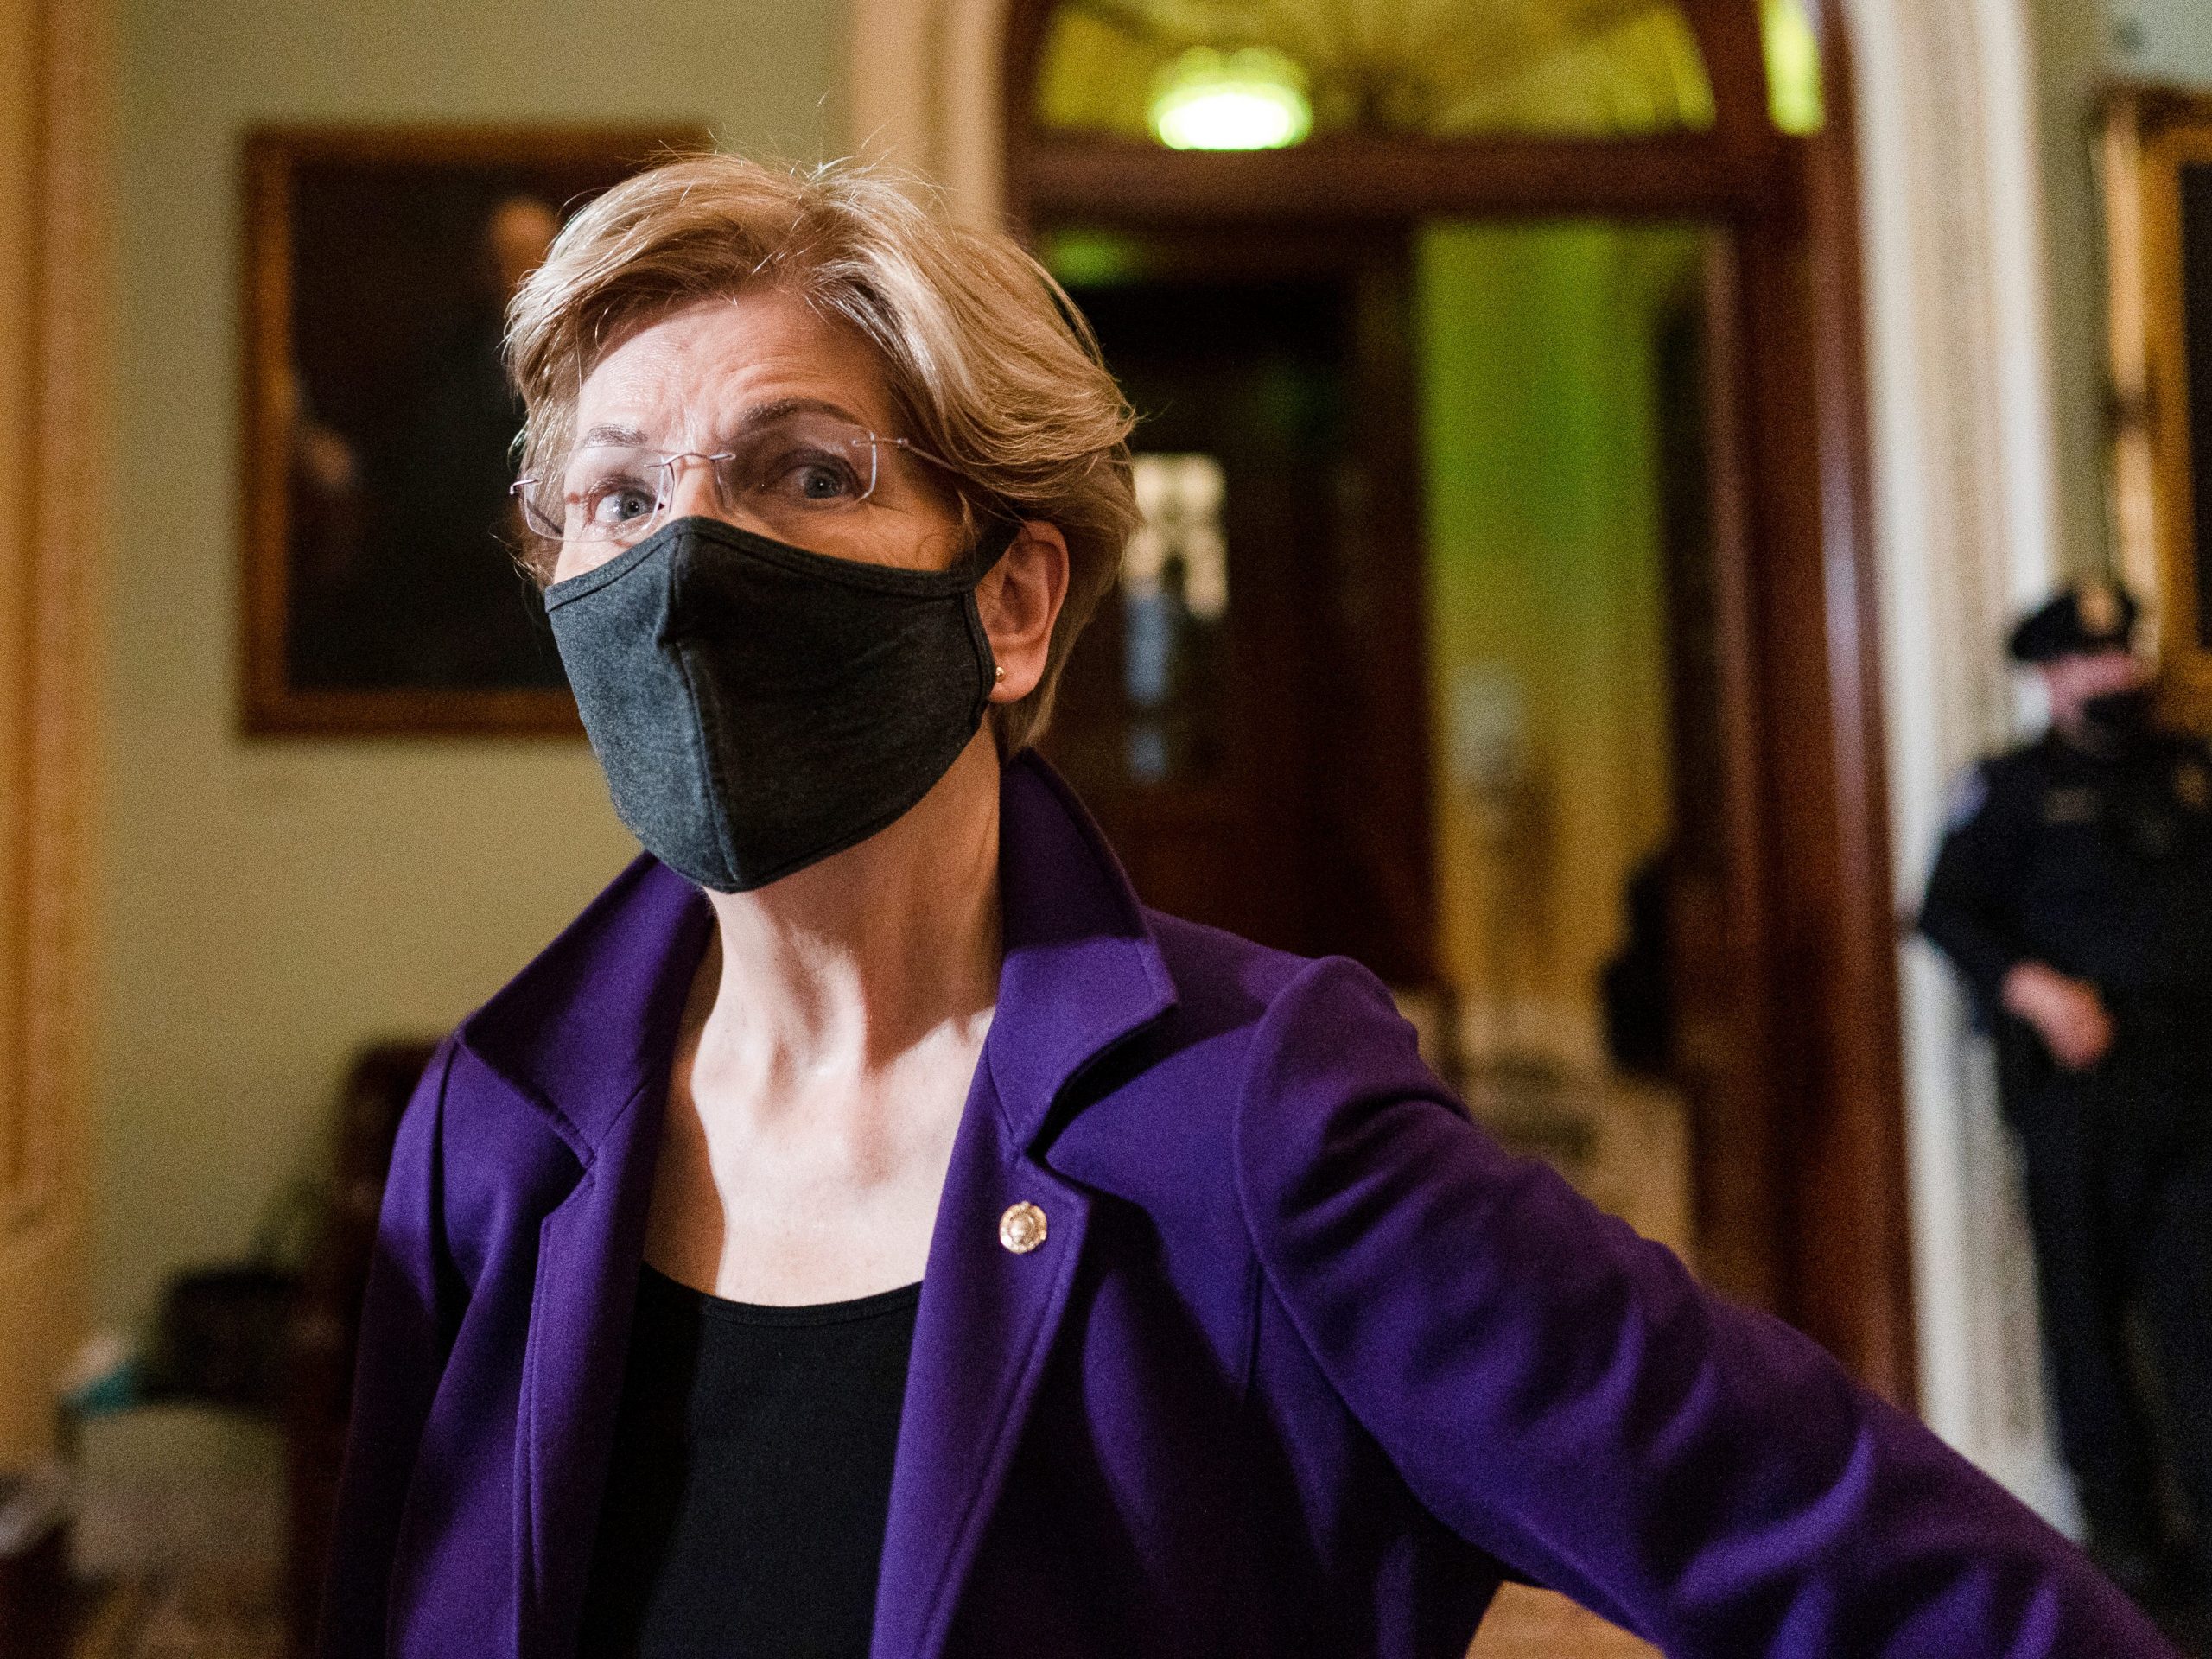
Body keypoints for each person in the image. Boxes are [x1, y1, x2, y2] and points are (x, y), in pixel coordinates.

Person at [319, 155, 2177, 1659]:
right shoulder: (493, 1135)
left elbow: (1891, 1579)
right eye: (616, 498)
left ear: (1009, 603)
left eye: (806, 472)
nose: (686, 561)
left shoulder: (1250, 1120)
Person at [1920, 578, 2212, 1630]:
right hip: (2078, 1105)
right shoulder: (2009, 793)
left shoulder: (2184, 775)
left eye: (2121, 652)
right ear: (2050, 677)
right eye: (2089, 659)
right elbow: (1947, 913)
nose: (2113, 672)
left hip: (2189, 1096)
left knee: (2197, 1319)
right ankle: (2126, 1557)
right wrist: (2034, 990)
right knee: (2085, 1326)